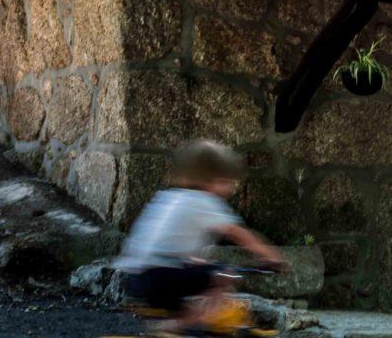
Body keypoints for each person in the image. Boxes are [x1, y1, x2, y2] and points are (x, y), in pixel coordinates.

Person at [115, 140, 286, 334]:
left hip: (136, 278)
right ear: (210, 180)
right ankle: (192, 324)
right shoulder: (206, 201)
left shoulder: (169, 197)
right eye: (226, 181)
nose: (231, 188)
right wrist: (271, 256)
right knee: (225, 274)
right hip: (159, 278)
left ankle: (174, 325)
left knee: (202, 271)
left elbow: (165, 245)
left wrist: (195, 262)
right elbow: (238, 233)